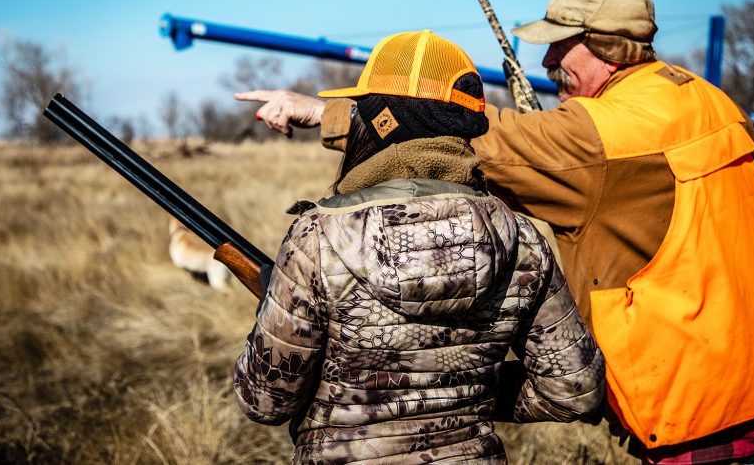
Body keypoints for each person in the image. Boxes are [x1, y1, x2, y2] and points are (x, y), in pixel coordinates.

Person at [241, 0, 754, 465]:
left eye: (561, 44)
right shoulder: (710, 100)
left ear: (604, 43)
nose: (547, 59)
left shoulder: (598, 136)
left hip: (690, 397)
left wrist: (333, 113)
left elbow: (455, 134)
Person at [232, 30, 605, 463]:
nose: (355, 120)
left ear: (383, 121)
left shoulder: (317, 238)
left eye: (361, 109)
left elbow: (263, 402)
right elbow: (575, 391)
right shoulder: (523, 238)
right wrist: (467, 393)